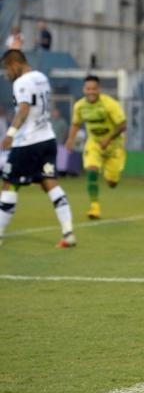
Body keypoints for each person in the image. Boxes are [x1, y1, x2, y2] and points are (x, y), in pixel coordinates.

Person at [0, 49, 75, 248]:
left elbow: (24, 108)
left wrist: (10, 133)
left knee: (9, 184)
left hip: (28, 142)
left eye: (7, 69)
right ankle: (68, 232)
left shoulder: (21, 82)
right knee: (49, 183)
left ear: (14, 65)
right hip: (47, 138)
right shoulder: (41, 77)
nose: (7, 74)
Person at [64, 76, 127, 220]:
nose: (91, 92)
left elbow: (123, 125)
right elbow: (76, 123)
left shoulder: (110, 104)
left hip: (114, 145)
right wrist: (70, 139)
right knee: (91, 170)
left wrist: (108, 139)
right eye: (88, 89)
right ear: (84, 90)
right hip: (94, 143)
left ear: (99, 89)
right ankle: (94, 207)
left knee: (112, 183)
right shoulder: (79, 106)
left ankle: (111, 176)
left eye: (94, 89)